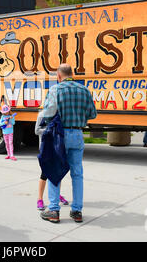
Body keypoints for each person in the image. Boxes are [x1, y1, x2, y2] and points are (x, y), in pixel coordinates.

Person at [40, 64, 97, 223]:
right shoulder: (84, 90)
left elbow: (48, 114)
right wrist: (80, 118)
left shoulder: (55, 90)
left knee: (54, 170)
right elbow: (93, 114)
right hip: (78, 134)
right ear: (72, 74)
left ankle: (53, 210)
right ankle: (77, 211)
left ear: (58, 75)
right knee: (77, 174)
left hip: (60, 136)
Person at [34, 111, 69, 210]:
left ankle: (56, 195)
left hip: (57, 148)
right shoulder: (42, 115)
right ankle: (39, 198)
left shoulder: (59, 114)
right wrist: (50, 129)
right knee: (44, 174)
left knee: (58, 172)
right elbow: (37, 130)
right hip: (45, 149)